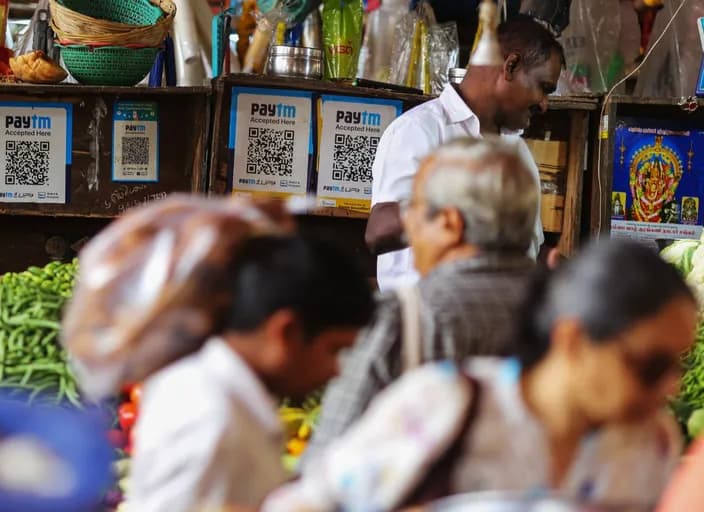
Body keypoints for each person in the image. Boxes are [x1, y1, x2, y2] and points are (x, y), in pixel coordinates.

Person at [265, 240, 694, 511]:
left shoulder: (652, 444)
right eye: (651, 366)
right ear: (573, 340)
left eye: (679, 365)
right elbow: (310, 503)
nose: (670, 387)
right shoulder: (449, 403)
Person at [303, 137, 539, 465]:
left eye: (413, 206)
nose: (408, 222)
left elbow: (326, 465)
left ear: (450, 224)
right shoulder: (567, 312)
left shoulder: (403, 320)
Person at [124, 235, 374, 512]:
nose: (337, 370)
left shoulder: (220, 393)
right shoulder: (211, 417)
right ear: (286, 332)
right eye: (334, 350)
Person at [366, 15, 565, 291]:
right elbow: (379, 232)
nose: (544, 104)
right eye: (543, 88)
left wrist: (562, 267)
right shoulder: (420, 130)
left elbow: (526, 252)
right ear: (511, 65)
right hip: (430, 326)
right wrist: (465, 202)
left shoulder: (516, 150)